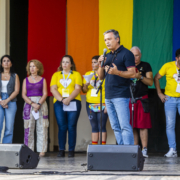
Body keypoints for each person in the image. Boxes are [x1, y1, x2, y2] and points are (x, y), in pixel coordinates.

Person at [98, 29, 136, 145]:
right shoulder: (107, 56)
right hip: (108, 96)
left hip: (121, 95)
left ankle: (128, 153)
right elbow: (101, 77)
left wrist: (117, 72)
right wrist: (101, 64)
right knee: (115, 126)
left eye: (109, 39)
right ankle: (121, 151)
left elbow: (133, 73)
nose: (107, 42)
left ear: (117, 39)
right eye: (105, 40)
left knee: (124, 125)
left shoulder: (126, 53)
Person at [50, 55, 82, 157]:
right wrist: (62, 99)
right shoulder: (56, 75)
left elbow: (77, 89)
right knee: (62, 126)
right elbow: (53, 89)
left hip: (73, 101)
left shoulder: (76, 74)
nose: (64, 64)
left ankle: (71, 150)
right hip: (59, 102)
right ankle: (61, 149)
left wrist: (68, 99)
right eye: (63, 62)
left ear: (71, 64)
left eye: (67, 62)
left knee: (71, 126)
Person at [154, 48, 180, 157]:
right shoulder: (168, 66)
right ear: (177, 58)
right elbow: (156, 78)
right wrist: (160, 93)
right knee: (170, 125)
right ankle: (172, 149)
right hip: (170, 99)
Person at [129, 46, 153, 157]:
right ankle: (135, 149)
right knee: (132, 125)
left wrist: (140, 77)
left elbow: (150, 82)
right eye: (132, 55)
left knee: (143, 126)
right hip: (129, 99)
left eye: (137, 55)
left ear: (140, 55)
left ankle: (144, 149)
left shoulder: (146, 65)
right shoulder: (126, 66)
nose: (135, 57)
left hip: (142, 99)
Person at [22, 60, 48, 157]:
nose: (31, 68)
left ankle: (42, 150)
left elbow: (45, 93)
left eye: (33, 66)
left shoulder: (43, 79)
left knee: (42, 127)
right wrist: (32, 103)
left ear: (38, 68)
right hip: (29, 104)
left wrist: (39, 104)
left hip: (41, 104)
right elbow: (23, 94)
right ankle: (29, 149)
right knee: (29, 127)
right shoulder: (26, 80)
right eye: (30, 66)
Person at [82, 55, 108, 145]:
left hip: (102, 102)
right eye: (92, 62)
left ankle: (103, 147)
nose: (93, 64)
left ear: (100, 63)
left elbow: (109, 89)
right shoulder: (88, 74)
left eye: (95, 62)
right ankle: (94, 147)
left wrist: (108, 105)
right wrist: (86, 84)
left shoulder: (105, 74)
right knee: (94, 126)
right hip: (90, 103)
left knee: (102, 125)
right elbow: (84, 90)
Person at [0, 55, 20, 143]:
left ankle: (6, 148)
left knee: (9, 127)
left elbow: (16, 91)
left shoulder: (15, 76)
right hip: (0, 100)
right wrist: (1, 101)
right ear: (1, 64)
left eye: (8, 61)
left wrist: (7, 100)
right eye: (4, 61)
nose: (6, 62)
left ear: (11, 64)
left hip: (11, 101)